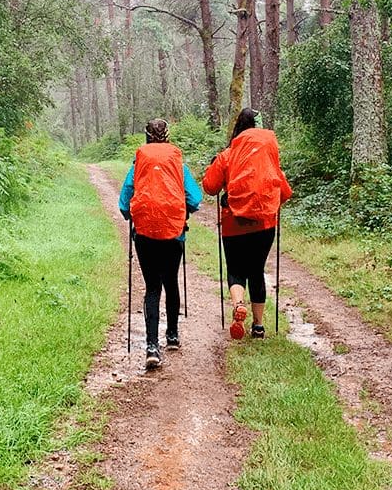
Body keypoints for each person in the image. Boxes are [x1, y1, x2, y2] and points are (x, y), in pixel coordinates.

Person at [119, 118, 202, 370]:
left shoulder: (138, 165)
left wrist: (133, 215)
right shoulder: (178, 164)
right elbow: (195, 199)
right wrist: (182, 209)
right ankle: (173, 336)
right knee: (171, 282)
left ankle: (152, 346)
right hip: (173, 234)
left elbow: (124, 205)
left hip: (144, 235)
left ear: (146, 137)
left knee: (152, 287)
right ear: (167, 137)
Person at [202, 108, 292, 340]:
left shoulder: (228, 155)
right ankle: (259, 326)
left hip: (234, 223)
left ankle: (239, 304)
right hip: (264, 224)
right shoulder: (268, 159)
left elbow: (210, 187)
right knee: (256, 271)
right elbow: (285, 192)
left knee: (236, 269)